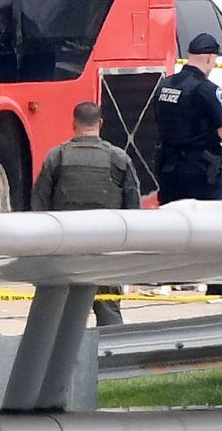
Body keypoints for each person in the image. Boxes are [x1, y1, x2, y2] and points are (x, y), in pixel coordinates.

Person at [31, 101, 140, 326]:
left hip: (65, 251)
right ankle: (111, 349)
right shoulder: (118, 158)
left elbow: (39, 206)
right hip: (105, 250)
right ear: (100, 123)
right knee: (108, 311)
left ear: (73, 124)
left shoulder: (57, 157)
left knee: (58, 317)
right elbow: (134, 210)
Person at [154, 33, 222, 204]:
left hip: (167, 167)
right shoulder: (207, 89)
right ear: (209, 58)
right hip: (200, 170)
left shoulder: (164, 85)